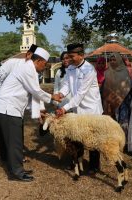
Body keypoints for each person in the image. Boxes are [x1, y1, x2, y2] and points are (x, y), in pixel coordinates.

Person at [0, 47, 61, 182]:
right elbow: (35, 91)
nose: (45, 66)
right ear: (39, 60)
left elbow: (29, 95)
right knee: (15, 143)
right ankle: (17, 172)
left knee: (14, 142)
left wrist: (39, 111)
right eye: (45, 64)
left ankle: (15, 168)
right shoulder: (27, 69)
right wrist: (52, 97)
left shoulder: (29, 69)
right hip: (8, 109)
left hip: (9, 109)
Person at [55, 43, 103, 174]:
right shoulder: (70, 68)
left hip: (91, 109)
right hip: (77, 110)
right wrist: (61, 94)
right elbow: (66, 85)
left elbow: (80, 94)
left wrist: (64, 108)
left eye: (72, 56)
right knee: (76, 137)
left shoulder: (89, 70)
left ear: (82, 55)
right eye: (68, 56)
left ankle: (94, 166)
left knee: (93, 139)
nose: (69, 59)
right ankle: (76, 162)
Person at [0, 44, 38, 163]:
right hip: (0, 101)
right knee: (3, 133)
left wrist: (37, 110)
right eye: (31, 56)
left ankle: (17, 156)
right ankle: (5, 157)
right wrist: (0, 99)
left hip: (16, 105)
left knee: (17, 132)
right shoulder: (12, 63)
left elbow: (34, 91)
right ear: (28, 54)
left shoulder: (33, 70)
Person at [102, 53, 132, 137]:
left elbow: (128, 87)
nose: (112, 61)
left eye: (114, 59)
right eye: (111, 60)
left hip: (123, 102)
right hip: (109, 102)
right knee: (112, 122)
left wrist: (121, 98)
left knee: (122, 122)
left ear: (119, 60)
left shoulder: (124, 72)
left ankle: (123, 142)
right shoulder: (107, 72)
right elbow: (105, 88)